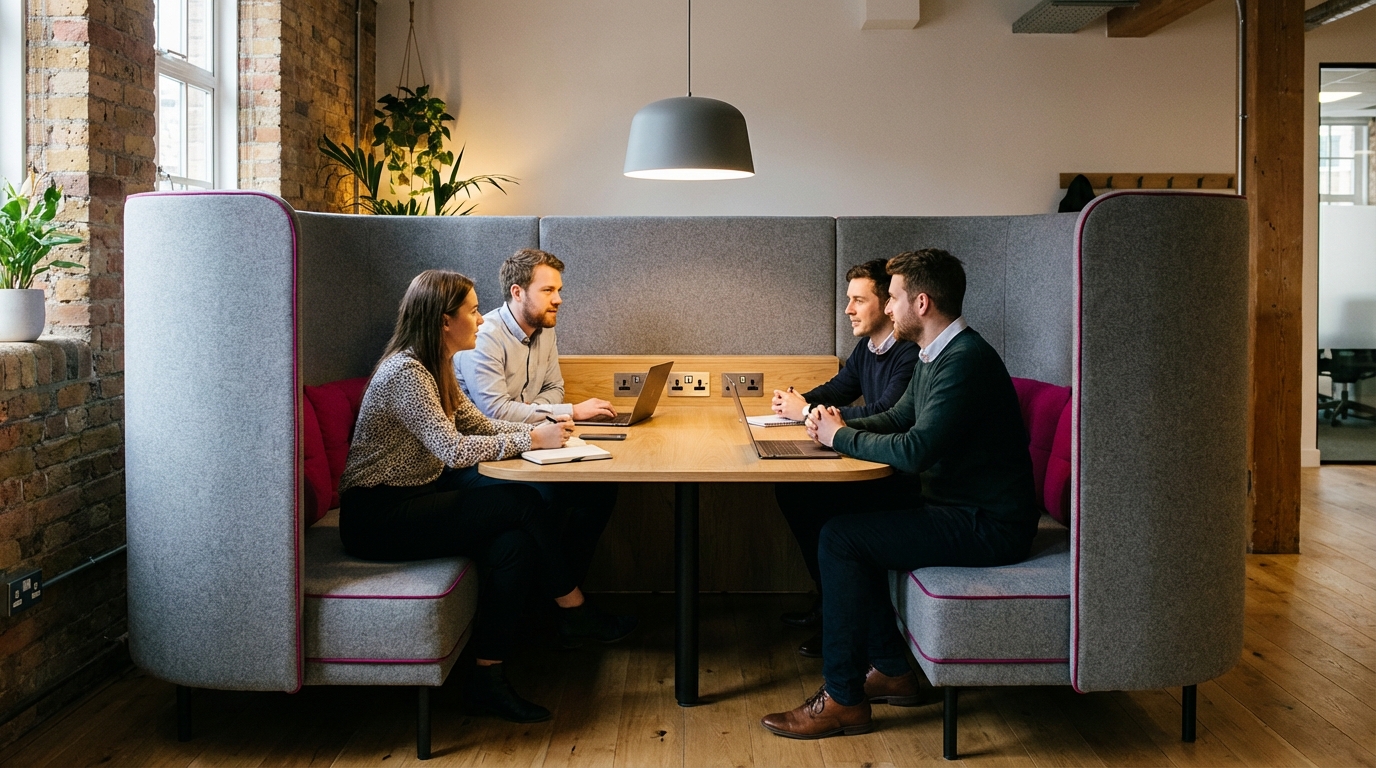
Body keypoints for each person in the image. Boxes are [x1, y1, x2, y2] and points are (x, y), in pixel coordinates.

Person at [760, 249, 1039, 739]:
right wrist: (828, 427)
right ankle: (891, 668)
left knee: (842, 539)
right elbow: (898, 418)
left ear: (922, 303)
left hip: (988, 524)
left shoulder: (965, 360)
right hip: (952, 506)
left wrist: (839, 437)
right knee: (830, 515)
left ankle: (844, 699)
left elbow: (914, 450)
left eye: (893, 298)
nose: (888, 309)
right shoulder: (938, 354)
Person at [339, 270, 636, 725]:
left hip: (417, 498)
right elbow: (453, 450)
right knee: (520, 504)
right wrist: (533, 441)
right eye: (473, 310)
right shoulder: (406, 373)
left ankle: (488, 678)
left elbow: (476, 425)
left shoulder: (435, 364)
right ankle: (573, 608)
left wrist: (540, 431)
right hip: (378, 514)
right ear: (443, 320)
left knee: (511, 545)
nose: (481, 318)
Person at [771, 259, 922, 657]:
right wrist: (799, 401)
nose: (848, 309)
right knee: (792, 492)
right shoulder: (867, 347)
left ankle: (841, 615)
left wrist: (808, 414)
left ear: (888, 304)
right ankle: (829, 603)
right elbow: (838, 389)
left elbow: (889, 414)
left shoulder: (908, 355)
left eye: (859, 300)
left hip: (897, 478)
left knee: (818, 507)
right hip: (876, 465)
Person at [455, 248, 619, 586]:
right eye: (548, 290)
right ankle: (563, 601)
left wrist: (532, 409)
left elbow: (555, 387)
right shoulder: (484, 338)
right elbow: (494, 411)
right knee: (549, 496)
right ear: (517, 292)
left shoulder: (545, 331)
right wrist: (569, 412)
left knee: (601, 491)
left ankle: (564, 593)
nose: (558, 299)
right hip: (482, 458)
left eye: (559, 290)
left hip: (525, 448)